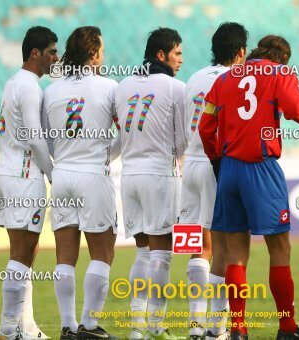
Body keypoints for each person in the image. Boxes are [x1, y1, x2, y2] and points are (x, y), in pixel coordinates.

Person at [199, 35, 299, 340]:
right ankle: (287, 327)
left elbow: (205, 126)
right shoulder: (280, 73)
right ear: (282, 58)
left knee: (234, 253)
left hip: (228, 169)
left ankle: (238, 329)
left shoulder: (225, 79)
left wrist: (218, 159)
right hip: (261, 167)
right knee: (279, 248)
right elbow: (298, 111)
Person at [44, 26, 118, 340]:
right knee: (102, 253)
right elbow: (126, 135)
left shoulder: (51, 90)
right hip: (92, 174)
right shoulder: (110, 87)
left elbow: (45, 139)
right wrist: (106, 154)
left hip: (62, 175)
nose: (104, 54)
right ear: (93, 53)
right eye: (101, 49)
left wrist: (59, 161)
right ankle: (89, 326)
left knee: (64, 256)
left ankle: (67, 326)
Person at [114, 27, 186, 340]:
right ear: (161, 55)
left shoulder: (123, 85)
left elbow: (117, 133)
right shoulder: (176, 87)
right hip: (159, 174)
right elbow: (183, 140)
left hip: (128, 174)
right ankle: (156, 325)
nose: (181, 59)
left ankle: (137, 327)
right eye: (177, 53)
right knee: (162, 254)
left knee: (142, 253)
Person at [179, 22, 248, 340]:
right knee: (219, 247)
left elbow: (183, 126)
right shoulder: (232, 79)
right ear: (240, 53)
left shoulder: (192, 78)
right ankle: (217, 327)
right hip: (213, 164)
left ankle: (195, 325)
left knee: (194, 245)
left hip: (189, 165)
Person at [0, 26, 58, 340]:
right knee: (22, 254)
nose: (56, 58)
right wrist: (52, 173)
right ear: (36, 53)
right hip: (23, 177)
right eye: (52, 52)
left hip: (6, 174)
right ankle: (8, 329)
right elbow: (35, 136)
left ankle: (26, 327)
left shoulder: (13, 82)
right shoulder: (31, 87)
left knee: (24, 255)